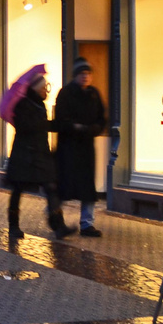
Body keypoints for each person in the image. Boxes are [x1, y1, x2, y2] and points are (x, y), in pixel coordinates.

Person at [5, 70, 69, 242]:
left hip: (41, 154)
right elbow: (25, 126)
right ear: (35, 88)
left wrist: (57, 125)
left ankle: (58, 226)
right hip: (24, 155)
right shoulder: (23, 104)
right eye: (43, 87)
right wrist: (45, 124)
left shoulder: (39, 105)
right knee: (17, 190)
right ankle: (13, 226)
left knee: (51, 188)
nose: (45, 90)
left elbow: (41, 126)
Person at [54, 58, 107, 237]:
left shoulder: (94, 94)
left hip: (86, 148)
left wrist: (93, 129)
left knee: (87, 186)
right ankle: (56, 219)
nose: (85, 77)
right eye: (82, 74)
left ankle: (87, 224)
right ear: (76, 76)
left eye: (88, 74)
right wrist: (75, 127)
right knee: (64, 184)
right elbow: (61, 119)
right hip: (68, 147)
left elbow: (102, 118)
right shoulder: (66, 93)